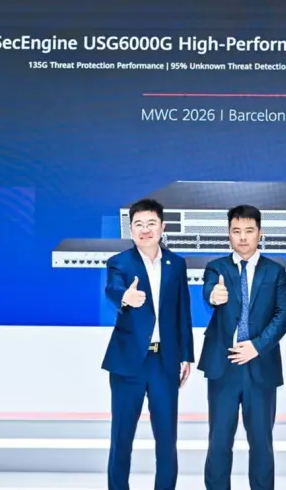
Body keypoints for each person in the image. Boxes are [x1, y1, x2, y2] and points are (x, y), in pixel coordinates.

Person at [102, 198, 195, 490]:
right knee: (122, 438)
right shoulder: (119, 262)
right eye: (139, 224)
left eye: (151, 223)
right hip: (127, 362)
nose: (145, 230)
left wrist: (186, 355)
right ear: (130, 229)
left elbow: (183, 311)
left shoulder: (176, 264)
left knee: (167, 439)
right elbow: (112, 288)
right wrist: (125, 297)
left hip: (164, 362)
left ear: (162, 227)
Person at [199, 204, 286, 490]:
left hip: (260, 366)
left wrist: (257, 346)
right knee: (219, 442)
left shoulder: (275, 271)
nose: (242, 237)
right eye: (236, 231)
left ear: (260, 233)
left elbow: (284, 314)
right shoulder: (216, 268)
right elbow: (209, 291)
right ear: (228, 233)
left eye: (249, 231)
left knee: (262, 443)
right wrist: (214, 296)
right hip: (223, 367)